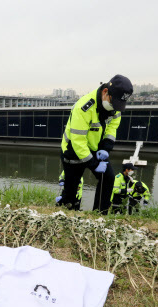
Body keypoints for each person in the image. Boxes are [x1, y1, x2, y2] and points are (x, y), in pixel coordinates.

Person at [57, 75, 133, 213]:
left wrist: (106, 147)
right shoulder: (83, 107)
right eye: (113, 102)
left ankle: (100, 213)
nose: (114, 108)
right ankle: (67, 209)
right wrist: (93, 164)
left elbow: (112, 128)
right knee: (72, 186)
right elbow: (78, 141)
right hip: (73, 150)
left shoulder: (115, 106)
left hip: (96, 147)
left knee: (108, 178)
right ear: (105, 92)